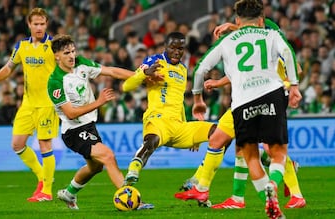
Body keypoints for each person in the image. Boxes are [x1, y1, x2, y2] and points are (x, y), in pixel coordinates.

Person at [175, 1, 302, 218]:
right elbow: (289, 56)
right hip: (272, 93)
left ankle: (247, 196)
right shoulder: (270, 35)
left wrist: (198, 98)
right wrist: (295, 86)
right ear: (261, 19)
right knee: (277, 151)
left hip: (242, 101)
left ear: (236, 20)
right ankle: (273, 185)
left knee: (249, 154)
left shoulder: (227, 42)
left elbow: (200, 69)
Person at [47, 34, 153, 210]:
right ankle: (132, 201)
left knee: (95, 167)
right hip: (73, 131)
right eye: (67, 53)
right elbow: (70, 113)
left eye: (73, 51)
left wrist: (140, 78)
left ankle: (69, 193)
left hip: (89, 126)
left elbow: (111, 71)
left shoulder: (81, 63)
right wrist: (99, 102)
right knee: (108, 156)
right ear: (56, 55)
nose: (72, 56)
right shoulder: (55, 82)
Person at [121, 32, 219, 193]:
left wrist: (189, 129)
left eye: (180, 48)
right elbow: (127, 86)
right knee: (151, 141)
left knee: (219, 133)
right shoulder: (154, 61)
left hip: (179, 125)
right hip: (158, 119)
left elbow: (179, 101)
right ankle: (133, 170)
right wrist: (145, 73)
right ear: (165, 47)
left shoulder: (183, 70)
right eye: (173, 47)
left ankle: (196, 180)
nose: (177, 51)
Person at [0, 8, 59, 202]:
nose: (39, 27)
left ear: (46, 25)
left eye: (42, 24)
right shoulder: (22, 46)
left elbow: (68, 67)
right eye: (35, 24)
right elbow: (9, 67)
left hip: (47, 104)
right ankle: (41, 178)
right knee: (17, 145)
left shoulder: (54, 46)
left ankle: (47, 191)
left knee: (45, 145)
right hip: (27, 104)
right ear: (29, 25)